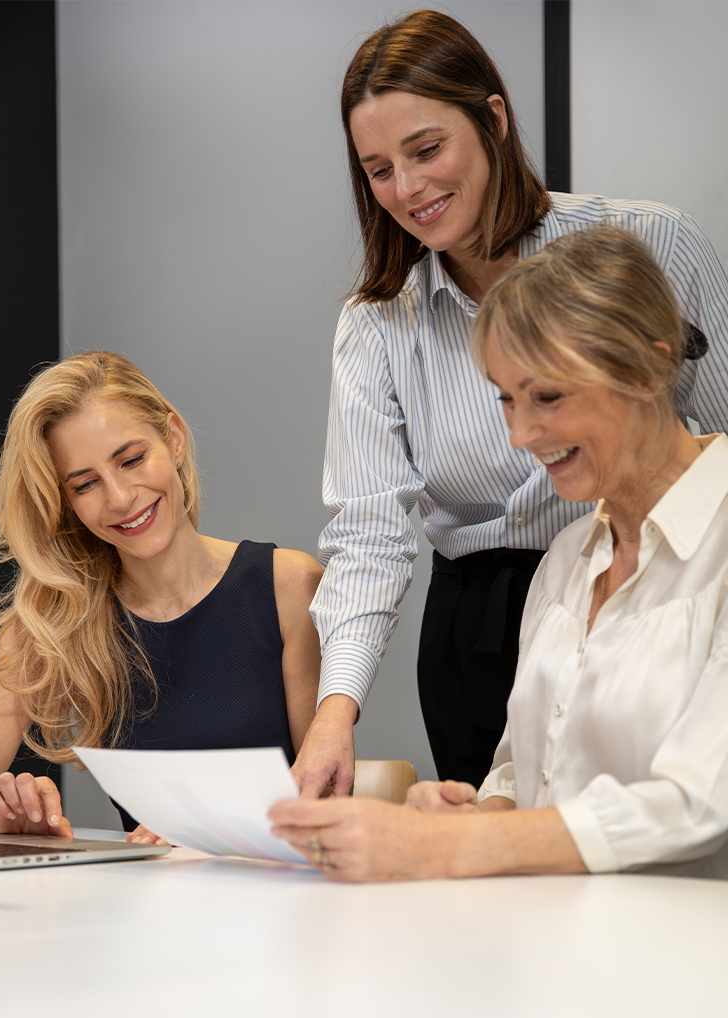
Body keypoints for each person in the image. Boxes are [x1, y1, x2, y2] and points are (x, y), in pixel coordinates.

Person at [292, 8, 728, 797]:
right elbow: (370, 535)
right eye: (379, 169)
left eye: (426, 150)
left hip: (651, 589)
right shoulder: (379, 321)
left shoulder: (649, 245)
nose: (408, 187)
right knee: (495, 828)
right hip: (481, 624)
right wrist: (334, 712)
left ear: (492, 119)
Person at [270, 224, 728, 881]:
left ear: (650, 367)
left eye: (547, 398)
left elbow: (697, 801)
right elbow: (522, 763)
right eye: (507, 401)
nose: (519, 435)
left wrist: (453, 848)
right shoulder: (568, 560)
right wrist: (477, 814)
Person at [0, 351, 322, 843]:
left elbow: (325, 799)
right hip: (141, 907)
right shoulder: (54, 620)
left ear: (173, 438)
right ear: (66, 502)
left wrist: (209, 821)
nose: (120, 498)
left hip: (283, 898)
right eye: (86, 484)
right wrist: (2, 817)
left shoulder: (289, 585)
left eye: (131, 460)